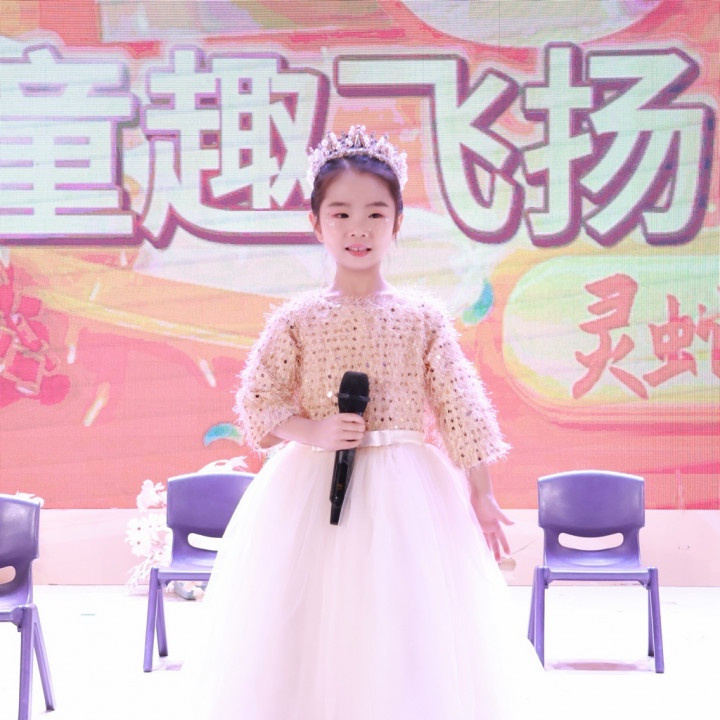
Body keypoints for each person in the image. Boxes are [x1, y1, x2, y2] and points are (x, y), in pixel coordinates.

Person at [179, 125, 546, 719]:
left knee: (404, 615)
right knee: (309, 615)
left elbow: (461, 408)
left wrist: (481, 493)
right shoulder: (297, 319)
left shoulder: (421, 318)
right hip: (312, 487)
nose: (358, 228)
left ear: (397, 223)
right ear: (316, 223)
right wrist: (313, 431)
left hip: (409, 491)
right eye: (341, 213)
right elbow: (258, 402)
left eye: (376, 213)